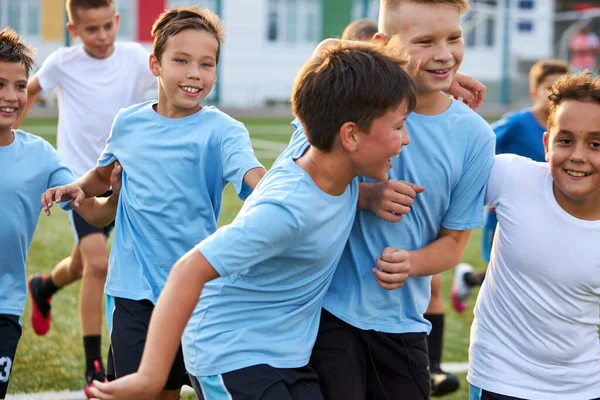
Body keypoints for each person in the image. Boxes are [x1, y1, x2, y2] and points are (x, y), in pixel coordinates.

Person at [85, 38, 416, 400]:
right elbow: (189, 270)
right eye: (399, 126)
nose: (407, 139)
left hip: (285, 354)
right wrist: (150, 377)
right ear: (350, 135)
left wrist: (434, 82)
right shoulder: (288, 208)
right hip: (230, 352)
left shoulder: (316, 143)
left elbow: (327, 51)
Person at [43, 6, 266, 399]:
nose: (195, 73)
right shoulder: (128, 123)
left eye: (206, 63)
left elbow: (255, 179)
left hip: (193, 292)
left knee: (177, 388)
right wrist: (77, 188)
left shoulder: (224, 131)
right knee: (141, 392)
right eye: (181, 60)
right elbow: (101, 176)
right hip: (133, 292)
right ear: (155, 65)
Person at [307, 1, 495, 398]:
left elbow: (453, 245)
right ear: (383, 45)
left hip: (404, 325)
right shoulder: (350, 101)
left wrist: (412, 263)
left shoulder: (475, 137)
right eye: (425, 41)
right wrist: (365, 195)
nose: (444, 53)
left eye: (454, 38)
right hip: (323, 315)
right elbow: (296, 177)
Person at [14, 0, 157, 390]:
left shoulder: (134, 57)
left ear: (116, 21)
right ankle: (94, 363)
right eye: (90, 30)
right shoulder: (63, 61)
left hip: (122, 180)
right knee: (98, 264)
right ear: (74, 30)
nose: (102, 36)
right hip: (77, 180)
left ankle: (44, 287)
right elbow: (28, 89)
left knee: (81, 264)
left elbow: (165, 86)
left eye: (106, 27)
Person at [0, 28, 121, 400]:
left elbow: (94, 216)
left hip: (4, 306)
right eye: (0, 84)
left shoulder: (42, 156)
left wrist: (115, 195)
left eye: (20, 86)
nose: (11, 96)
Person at [468, 72, 600, 400]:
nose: (579, 156)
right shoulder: (512, 177)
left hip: (583, 385)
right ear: (546, 144)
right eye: (565, 140)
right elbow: (441, 174)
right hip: (499, 377)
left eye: (596, 144)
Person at [451, 59, 570, 313]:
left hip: (552, 212)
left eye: (561, 89)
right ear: (534, 92)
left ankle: (469, 279)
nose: (554, 96)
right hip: (510, 214)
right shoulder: (517, 123)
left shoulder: (569, 129)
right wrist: (493, 191)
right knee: (510, 277)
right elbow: (480, 149)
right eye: (549, 88)